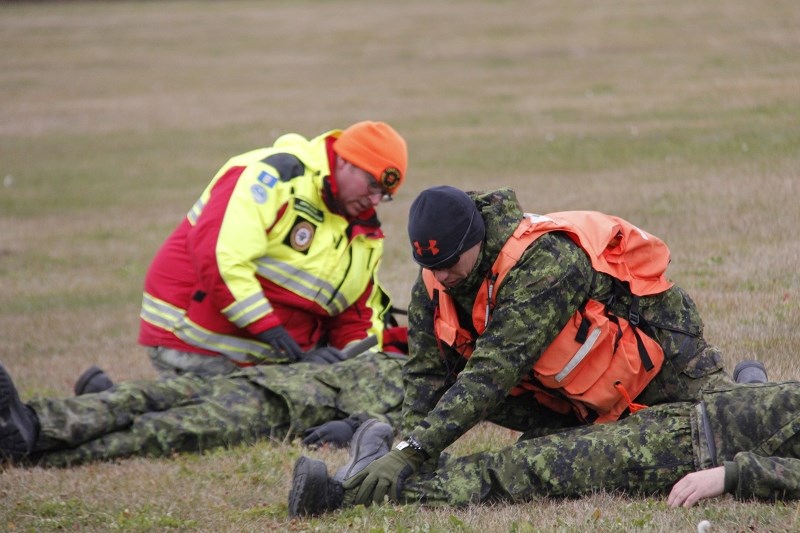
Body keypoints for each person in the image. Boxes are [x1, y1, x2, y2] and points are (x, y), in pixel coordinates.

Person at [347, 185, 747, 504]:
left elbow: (491, 374)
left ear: (477, 240)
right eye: (432, 267)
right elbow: (425, 374)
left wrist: (412, 450)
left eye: (451, 263)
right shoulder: (436, 279)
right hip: (579, 400)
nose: (443, 276)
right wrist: (407, 452)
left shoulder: (545, 264)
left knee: (736, 429)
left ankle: (748, 383)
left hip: (664, 374)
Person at [288, 370, 799, 517]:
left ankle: (342, 494)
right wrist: (749, 387)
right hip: (685, 416)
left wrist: (730, 475)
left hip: (687, 451)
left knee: (523, 471)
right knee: (539, 422)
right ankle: (410, 456)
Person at [137, 120, 408, 378]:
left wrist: (361, 373)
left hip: (274, 362)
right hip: (192, 342)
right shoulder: (273, 177)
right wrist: (272, 332)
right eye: (372, 184)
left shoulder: (365, 234)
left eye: (384, 193)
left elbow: (355, 315)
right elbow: (222, 259)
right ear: (346, 160)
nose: (375, 199)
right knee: (229, 419)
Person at [0, 348, 404, 468]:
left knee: (157, 430)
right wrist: (318, 360)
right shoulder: (388, 351)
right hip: (256, 379)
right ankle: (32, 422)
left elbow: (391, 423)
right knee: (138, 395)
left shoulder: (424, 384)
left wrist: (350, 427)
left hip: (275, 408)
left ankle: (40, 455)